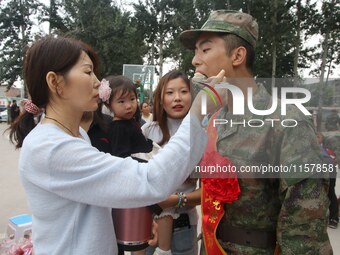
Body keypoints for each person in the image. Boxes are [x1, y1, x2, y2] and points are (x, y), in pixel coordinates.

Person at [9, 36, 209, 255]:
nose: (97, 82)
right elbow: (150, 179)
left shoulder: (77, 136)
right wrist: (199, 112)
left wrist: (137, 219)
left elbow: (94, 201)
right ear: (55, 82)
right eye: (87, 72)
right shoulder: (50, 148)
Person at [180, 10, 332, 254]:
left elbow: (305, 227)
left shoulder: (286, 122)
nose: (195, 61)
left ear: (237, 55)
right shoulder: (215, 120)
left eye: (205, 50)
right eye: (195, 52)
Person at [142, 70, 201, 255]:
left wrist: (176, 200)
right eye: (170, 93)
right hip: (148, 227)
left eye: (183, 91)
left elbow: (211, 192)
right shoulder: (147, 132)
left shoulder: (203, 133)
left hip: (184, 228)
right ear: (160, 98)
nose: (177, 98)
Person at [319, 132, 340, 229]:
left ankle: (334, 218)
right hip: (319, 168)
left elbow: (337, 156)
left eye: (318, 137)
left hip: (329, 167)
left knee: (330, 191)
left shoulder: (330, 142)